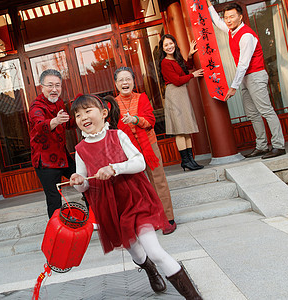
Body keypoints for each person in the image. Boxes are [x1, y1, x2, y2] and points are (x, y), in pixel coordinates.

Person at [69, 94, 202, 299]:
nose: (83, 117)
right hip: (111, 209)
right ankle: (148, 268)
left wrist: (115, 168)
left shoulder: (117, 136)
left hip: (135, 200)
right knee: (138, 254)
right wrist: (79, 181)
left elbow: (139, 162)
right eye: (78, 115)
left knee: (155, 251)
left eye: (88, 111)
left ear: (104, 113)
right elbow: (85, 186)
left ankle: (194, 297)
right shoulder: (80, 150)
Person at [206, 0, 286, 159]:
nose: (228, 20)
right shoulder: (231, 31)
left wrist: (233, 86)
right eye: (226, 17)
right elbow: (217, 21)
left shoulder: (246, 35)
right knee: (252, 114)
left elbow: (243, 64)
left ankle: (278, 145)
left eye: (232, 17)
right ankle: (262, 146)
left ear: (240, 17)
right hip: (245, 79)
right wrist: (208, 4)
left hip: (255, 75)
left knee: (266, 111)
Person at [113, 66, 177, 235]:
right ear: (116, 84)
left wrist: (135, 119)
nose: (125, 82)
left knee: (158, 180)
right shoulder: (113, 104)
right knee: (140, 185)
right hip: (129, 150)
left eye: (128, 79)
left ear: (133, 81)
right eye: (121, 80)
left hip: (148, 145)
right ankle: (153, 218)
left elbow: (150, 120)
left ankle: (168, 218)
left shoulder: (142, 98)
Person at [28, 69, 77, 218]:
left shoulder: (59, 103)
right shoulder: (36, 107)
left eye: (58, 85)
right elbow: (39, 126)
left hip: (62, 155)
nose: (54, 89)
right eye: (50, 85)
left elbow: (66, 124)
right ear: (41, 87)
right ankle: (57, 234)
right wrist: (55, 121)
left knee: (83, 181)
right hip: (45, 161)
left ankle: (94, 219)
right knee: (54, 200)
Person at [157, 34, 205, 171]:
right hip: (175, 94)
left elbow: (187, 67)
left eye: (170, 43)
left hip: (182, 94)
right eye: (166, 45)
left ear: (175, 44)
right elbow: (177, 80)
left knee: (186, 129)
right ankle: (185, 161)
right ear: (163, 48)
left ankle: (191, 160)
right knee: (180, 130)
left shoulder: (176, 59)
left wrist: (190, 54)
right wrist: (193, 75)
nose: (169, 47)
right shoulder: (165, 63)